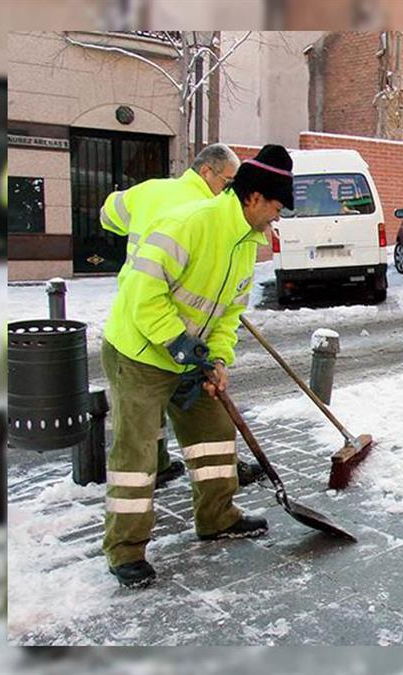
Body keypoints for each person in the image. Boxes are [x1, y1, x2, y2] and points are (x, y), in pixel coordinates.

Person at [99, 145, 293, 588]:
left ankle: (217, 517)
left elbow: (228, 313)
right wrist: (179, 344)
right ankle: (125, 549)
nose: (277, 218)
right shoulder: (190, 224)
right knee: (137, 452)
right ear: (254, 199)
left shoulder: (247, 244)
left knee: (213, 436)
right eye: (277, 207)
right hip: (139, 353)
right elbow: (141, 293)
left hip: (189, 354)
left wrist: (218, 358)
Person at [98, 144, 242, 487]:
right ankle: (163, 470)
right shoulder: (204, 211)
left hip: (137, 321)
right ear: (206, 171)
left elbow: (108, 214)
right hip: (157, 322)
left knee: (145, 416)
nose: (230, 190)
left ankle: (162, 465)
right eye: (228, 181)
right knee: (146, 416)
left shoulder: (151, 190)